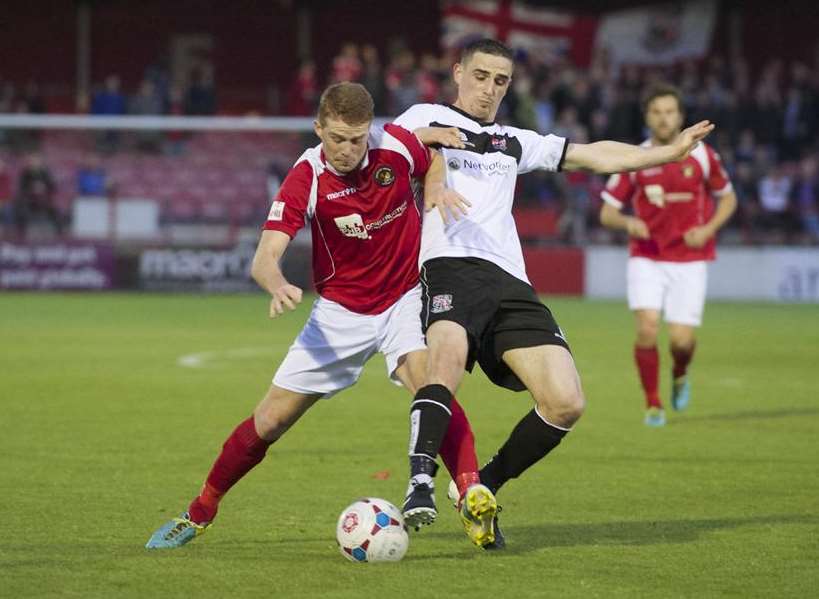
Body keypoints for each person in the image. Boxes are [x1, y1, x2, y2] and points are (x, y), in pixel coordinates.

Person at [393, 39, 715, 540]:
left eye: (500, 81)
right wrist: (432, 157)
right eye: (480, 76)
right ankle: (419, 483)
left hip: (510, 280)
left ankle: (483, 487)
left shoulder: (513, 142)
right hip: (449, 264)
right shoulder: (427, 113)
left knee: (566, 400)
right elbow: (395, 139)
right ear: (458, 72)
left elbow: (591, 155)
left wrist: (665, 153)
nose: (488, 89)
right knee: (446, 362)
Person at [146, 82, 490, 550]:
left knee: (433, 385)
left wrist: (434, 186)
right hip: (339, 314)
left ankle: (471, 495)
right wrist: (278, 283)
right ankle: (200, 511)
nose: (348, 150)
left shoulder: (394, 145)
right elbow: (264, 258)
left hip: (405, 297)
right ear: (318, 129)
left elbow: (428, 150)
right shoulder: (306, 176)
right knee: (269, 422)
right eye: (337, 138)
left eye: (357, 138)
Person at [599, 83, 737, 427]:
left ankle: (679, 372)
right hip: (647, 256)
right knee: (647, 329)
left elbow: (729, 198)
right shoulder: (637, 158)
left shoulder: (704, 156)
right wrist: (629, 223)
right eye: (657, 112)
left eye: (670, 112)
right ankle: (653, 403)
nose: (664, 119)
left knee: (681, 341)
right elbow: (607, 212)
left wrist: (708, 230)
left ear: (680, 116)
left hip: (690, 259)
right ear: (647, 117)